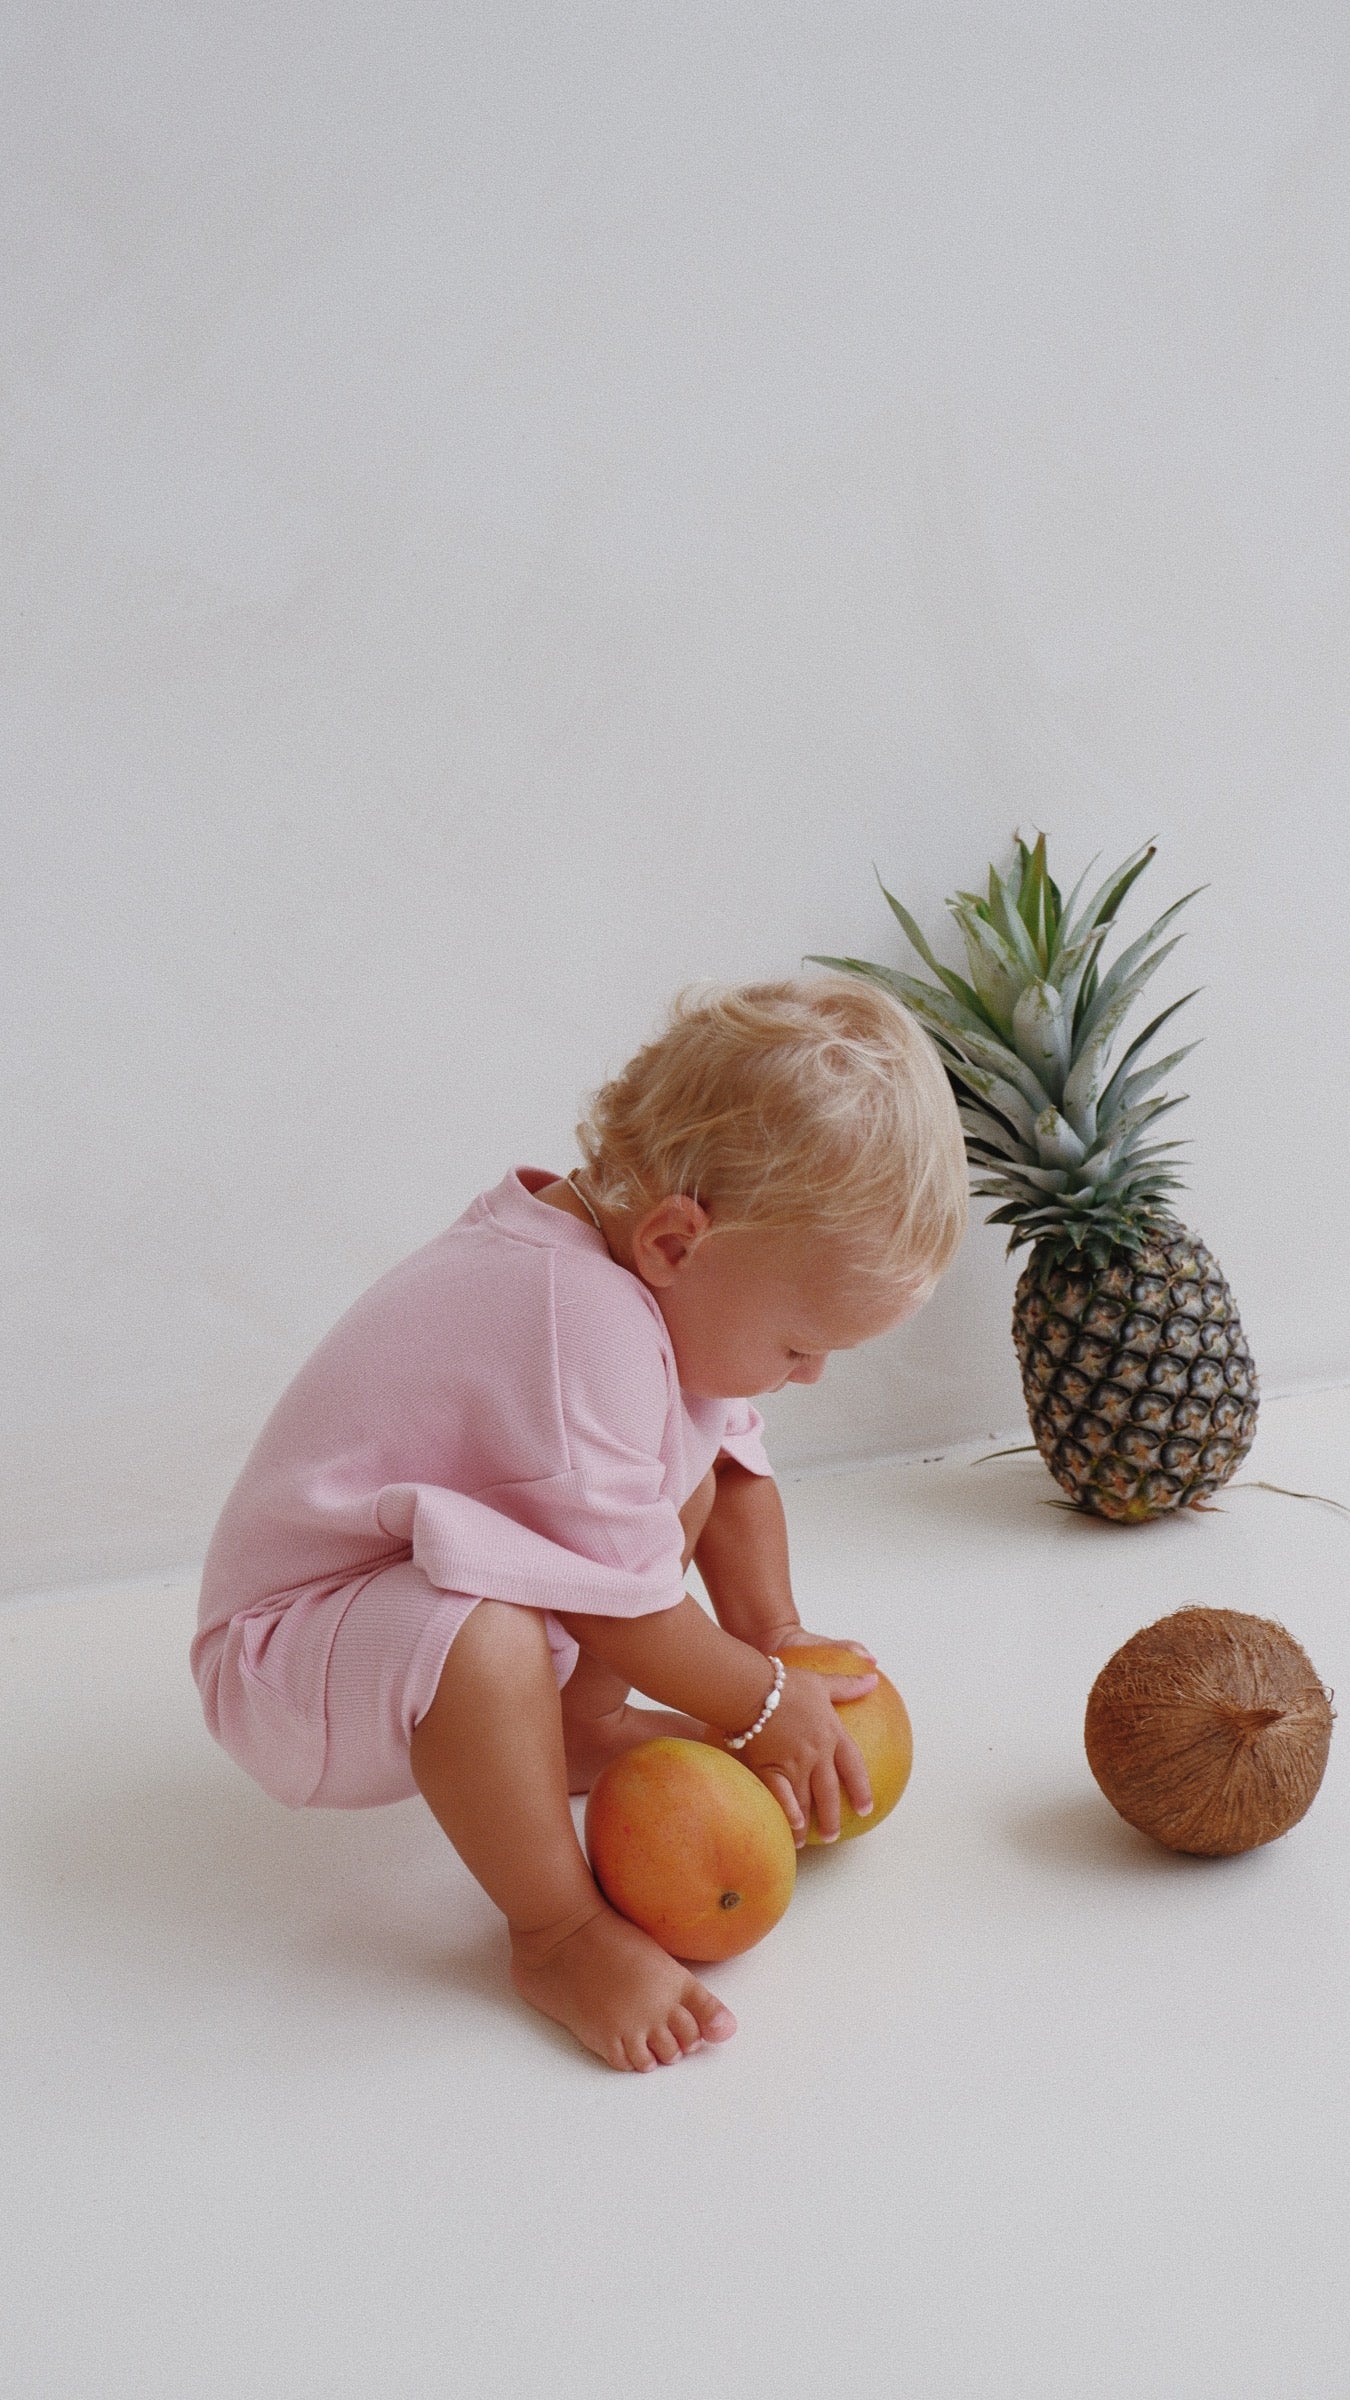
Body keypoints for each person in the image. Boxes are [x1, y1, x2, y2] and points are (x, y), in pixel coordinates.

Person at [191, 973, 967, 2070]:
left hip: (399, 1609)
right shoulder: (578, 1320)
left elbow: (731, 1466)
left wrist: (775, 1637)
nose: (811, 1375)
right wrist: (761, 1704)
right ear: (675, 1243)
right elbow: (623, 1619)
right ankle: (554, 1933)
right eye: (800, 1345)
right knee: (478, 1634)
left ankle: (574, 1734)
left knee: (681, 1459)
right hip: (289, 1660)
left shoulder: (657, 1284)